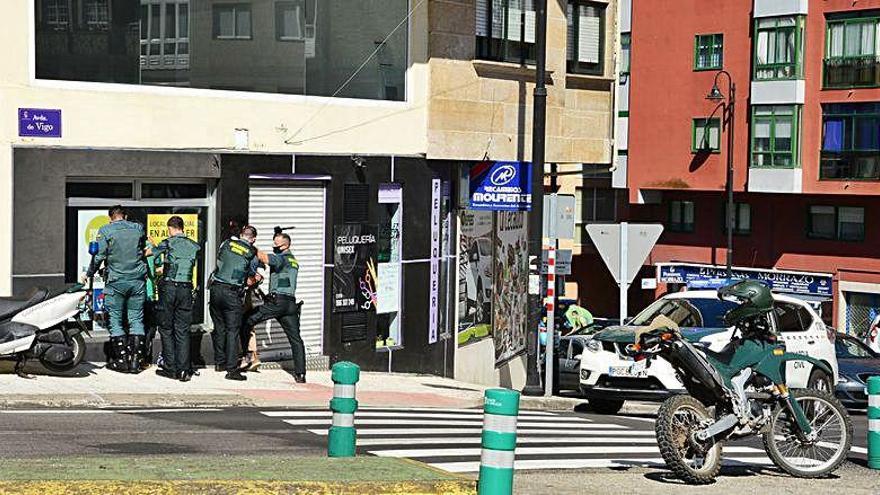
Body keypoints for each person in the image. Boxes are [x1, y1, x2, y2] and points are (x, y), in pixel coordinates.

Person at [84, 205, 148, 373]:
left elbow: (99, 256)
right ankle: (136, 362)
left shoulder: (105, 230)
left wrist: (89, 273)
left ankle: (121, 361)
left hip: (116, 282)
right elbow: (143, 250)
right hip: (137, 281)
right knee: (136, 319)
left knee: (115, 320)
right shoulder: (138, 228)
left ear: (110, 217)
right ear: (125, 216)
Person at [241, 232, 306, 383]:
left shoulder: (282, 258)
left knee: (246, 320)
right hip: (289, 305)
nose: (274, 248)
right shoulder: (293, 260)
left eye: (276, 246)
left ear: (285, 245)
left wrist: (247, 244)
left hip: (277, 303)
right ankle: (301, 374)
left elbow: (264, 258)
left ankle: (247, 355)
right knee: (296, 340)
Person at [209, 225, 266, 381]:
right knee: (232, 331)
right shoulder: (252, 253)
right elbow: (250, 278)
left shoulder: (225, 243)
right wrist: (257, 279)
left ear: (241, 234)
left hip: (215, 290)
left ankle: (219, 363)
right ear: (253, 239)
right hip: (232, 294)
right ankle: (232, 369)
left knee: (219, 328)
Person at [149, 216, 201, 382]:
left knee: (166, 328)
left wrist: (153, 244)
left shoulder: (168, 242)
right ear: (182, 227)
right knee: (182, 330)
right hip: (186, 289)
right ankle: (184, 370)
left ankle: (170, 368)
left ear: (171, 228)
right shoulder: (194, 245)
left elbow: (149, 253)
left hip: (170, 289)